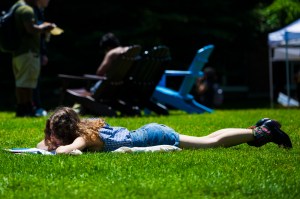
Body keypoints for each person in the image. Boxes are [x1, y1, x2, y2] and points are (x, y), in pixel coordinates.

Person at [36, 106, 293, 154]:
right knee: (208, 137)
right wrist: (50, 140)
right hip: (148, 131)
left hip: (153, 136)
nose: (50, 140)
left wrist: (58, 147)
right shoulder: (87, 125)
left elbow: (67, 151)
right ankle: (258, 128)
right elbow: (44, 144)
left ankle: (261, 134)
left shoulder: (82, 138)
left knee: (209, 143)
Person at [12, 0, 55, 117]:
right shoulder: (27, 10)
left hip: (18, 52)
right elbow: (30, 29)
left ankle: (22, 108)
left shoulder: (17, 7)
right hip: (29, 52)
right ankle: (27, 109)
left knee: (21, 82)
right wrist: (46, 27)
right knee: (28, 83)